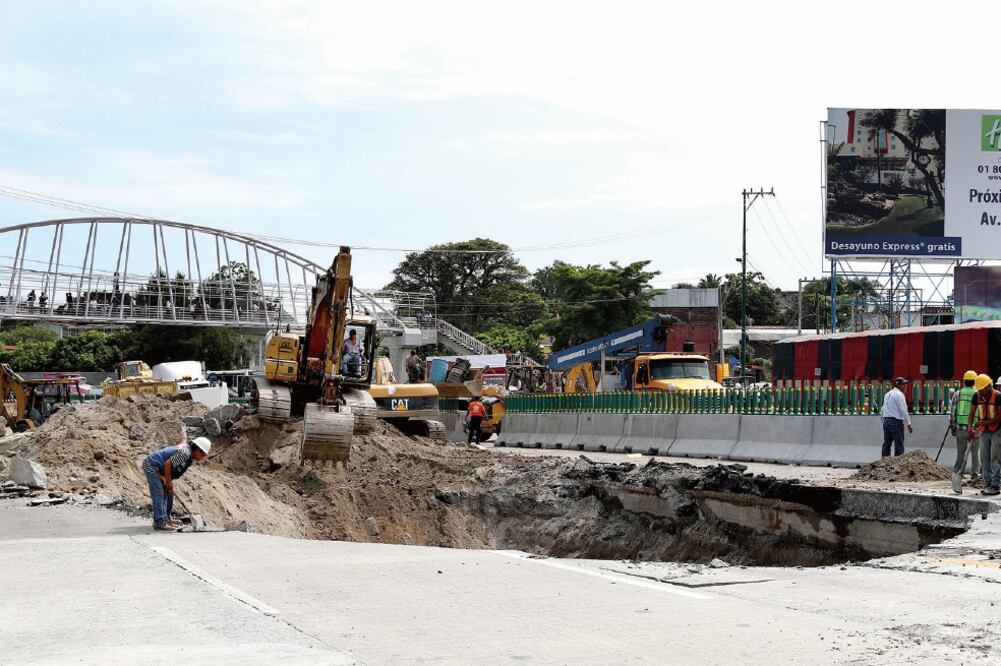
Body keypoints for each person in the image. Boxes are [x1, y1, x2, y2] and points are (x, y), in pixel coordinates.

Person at [140, 436, 212, 530]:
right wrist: (168, 482)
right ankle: (159, 522)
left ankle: (167, 519)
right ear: (198, 449)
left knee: (168, 493)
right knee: (159, 493)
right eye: (203, 454)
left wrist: (167, 481)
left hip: (161, 469)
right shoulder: (185, 453)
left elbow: (172, 468)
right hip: (152, 465)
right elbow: (167, 464)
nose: (203, 457)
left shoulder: (190, 459)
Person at [949, 370, 981, 493]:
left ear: (964, 381)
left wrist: (953, 427)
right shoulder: (978, 394)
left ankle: (958, 474)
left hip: (961, 429)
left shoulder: (958, 394)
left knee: (961, 453)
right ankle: (975, 476)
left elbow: (953, 412)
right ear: (975, 382)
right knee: (975, 454)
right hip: (975, 428)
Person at [969, 374, 1001, 495]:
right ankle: (988, 484)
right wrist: (970, 427)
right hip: (985, 430)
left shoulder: (998, 396)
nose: (979, 391)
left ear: (988, 387)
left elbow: (1000, 417)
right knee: (984, 457)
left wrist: (985, 422)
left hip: (998, 430)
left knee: (995, 457)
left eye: (981, 388)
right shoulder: (976, 396)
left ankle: (995, 485)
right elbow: (971, 413)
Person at [880, 377, 912, 457]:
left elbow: (882, 409)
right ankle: (898, 463)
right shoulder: (899, 395)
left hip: (886, 422)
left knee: (887, 444)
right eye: (903, 384)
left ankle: (884, 461)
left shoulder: (887, 394)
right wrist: (908, 424)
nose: (905, 386)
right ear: (898, 385)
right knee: (899, 445)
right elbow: (903, 410)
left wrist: (884, 421)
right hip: (896, 422)